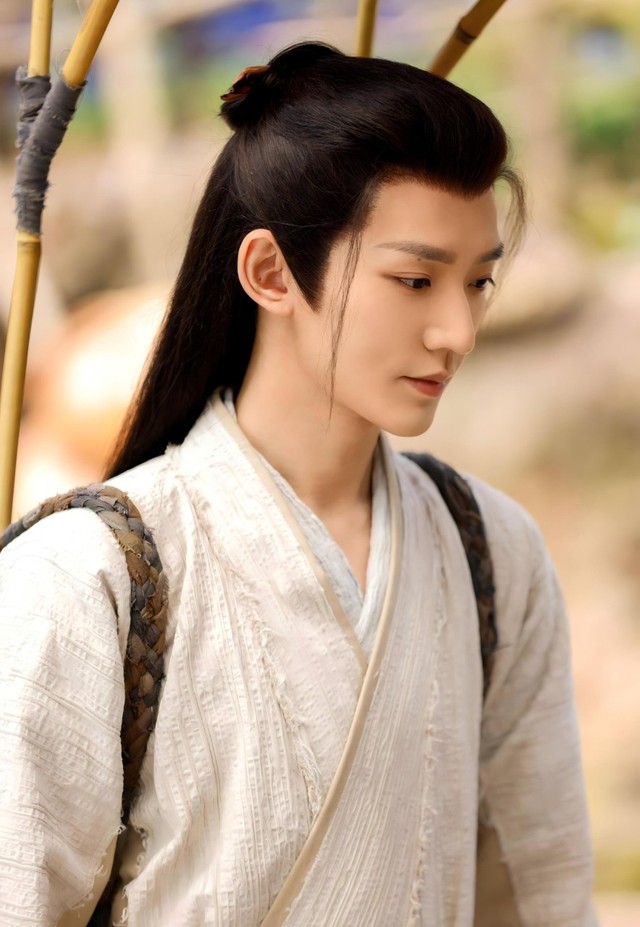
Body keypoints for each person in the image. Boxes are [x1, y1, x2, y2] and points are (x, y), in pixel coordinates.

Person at [0, 42, 596, 926]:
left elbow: (541, 888)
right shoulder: (85, 575)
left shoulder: (494, 550)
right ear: (271, 272)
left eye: (478, 281)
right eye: (416, 279)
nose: (458, 331)